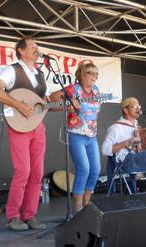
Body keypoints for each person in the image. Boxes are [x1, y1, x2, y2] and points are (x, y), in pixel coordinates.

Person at [0, 37, 49, 231]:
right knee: (23, 171)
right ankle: (13, 216)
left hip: (38, 127)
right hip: (18, 127)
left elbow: (43, 102)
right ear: (21, 51)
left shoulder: (40, 74)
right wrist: (18, 105)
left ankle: (29, 215)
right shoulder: (12, 70)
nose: (37, 49)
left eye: (38, 46)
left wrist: (65, 101)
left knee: (37, 173)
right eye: (33, 46)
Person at [50, 62, 101, 214]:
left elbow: (95, 111)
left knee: (96, 169)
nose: (94, 76)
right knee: (83, 169)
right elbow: (53, 98)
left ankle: (87, 202)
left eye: (95, 74)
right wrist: (68, 104)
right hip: (76, 134)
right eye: (91, 73)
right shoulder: (74, 89)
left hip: (92, 136)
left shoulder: (96, 91)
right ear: (82, 75)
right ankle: (77, 206)